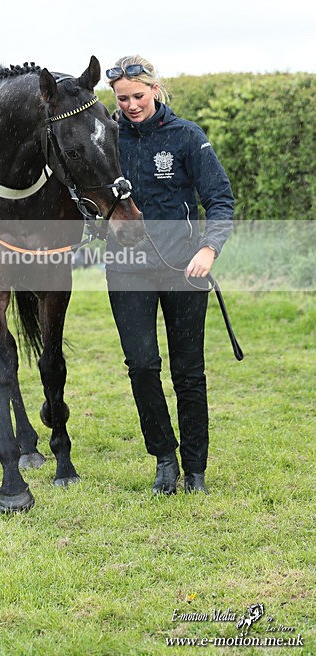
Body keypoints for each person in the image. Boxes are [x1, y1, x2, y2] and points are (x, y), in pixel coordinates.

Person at [105, 55, 234, 495]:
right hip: (127, 270)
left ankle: (195, 468)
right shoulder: (106, 138)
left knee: (188, 371)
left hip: (185, 269)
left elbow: (220, 199)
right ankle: (164, 459)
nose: (131, 105)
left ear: (155, 90)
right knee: (142, 367)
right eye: (122, 98)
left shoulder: (186, 136)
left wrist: (209, 248)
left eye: (138, 96)